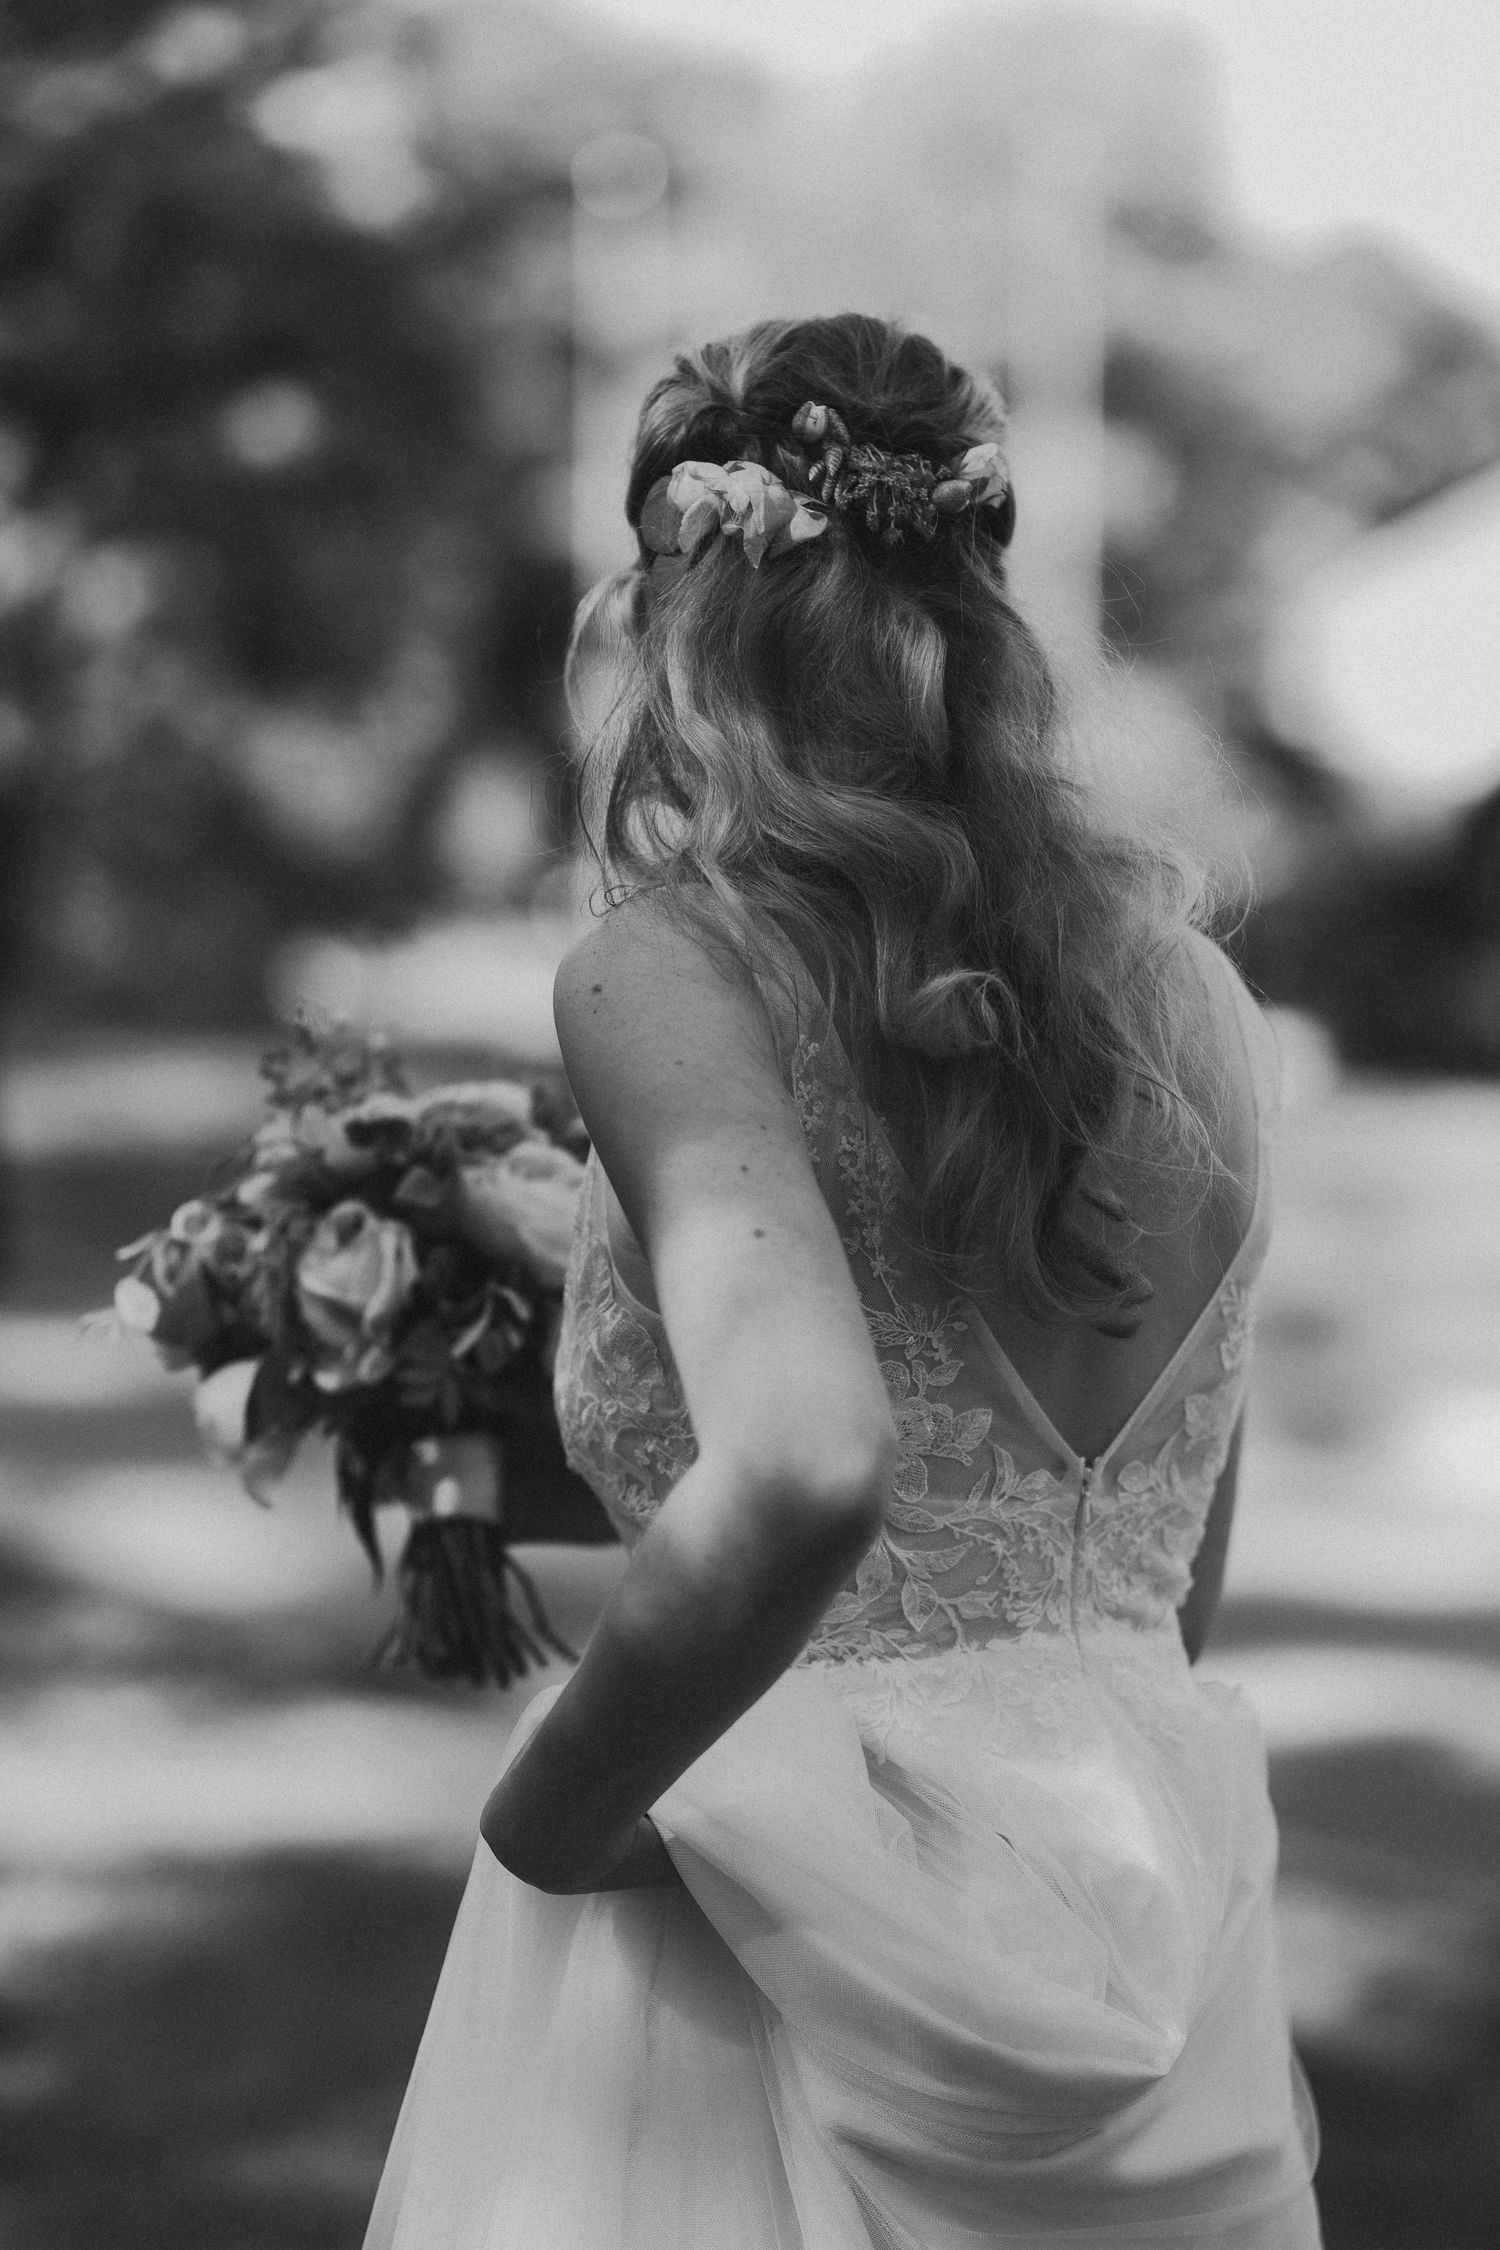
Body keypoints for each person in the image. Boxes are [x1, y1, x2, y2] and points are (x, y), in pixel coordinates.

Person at [362, 315, 1321, 2248]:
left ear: (679, 617)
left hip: (769, 1944)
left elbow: (809, 1462)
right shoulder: (1202, 1006)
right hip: (1144, 1897)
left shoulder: (675, 975)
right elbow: (1133, 1573)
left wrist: (550, 1809)